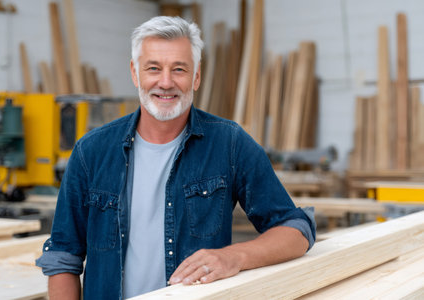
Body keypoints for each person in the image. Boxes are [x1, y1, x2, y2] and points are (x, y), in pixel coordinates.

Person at [36, 16, 316, 299]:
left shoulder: (228, 143)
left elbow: (296, 231)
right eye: (153, 68)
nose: (166, 82)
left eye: (179, 69)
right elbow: (63, 258)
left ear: (196, 77)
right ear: (135, 73)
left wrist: (236, 256)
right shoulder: (91, 151)